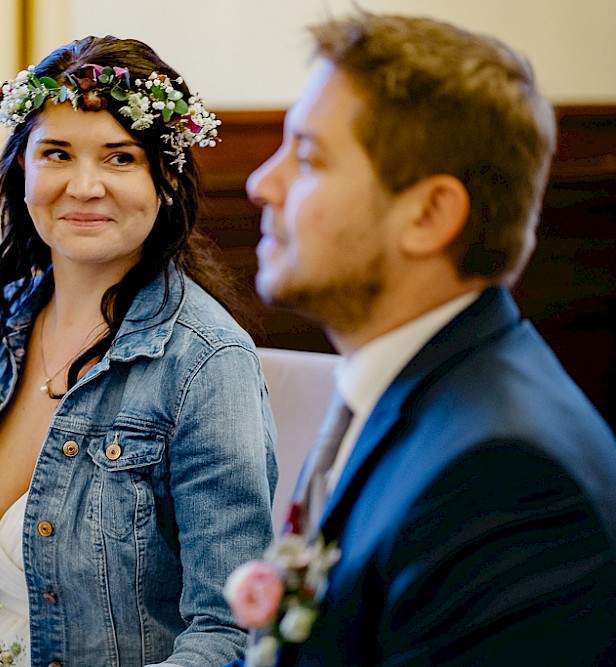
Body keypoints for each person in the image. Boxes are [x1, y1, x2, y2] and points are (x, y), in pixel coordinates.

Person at [240, 11, 616, 666]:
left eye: (307, 157)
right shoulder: (408, 385)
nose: (260, 183)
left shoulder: (504, 479)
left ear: (430, 214)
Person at [0, 35, 277, 667]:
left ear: (168, 177)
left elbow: (229, 632)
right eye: (57, 153)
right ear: (24, 170)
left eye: (120, 158)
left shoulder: (206, 364)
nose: (85, 185)